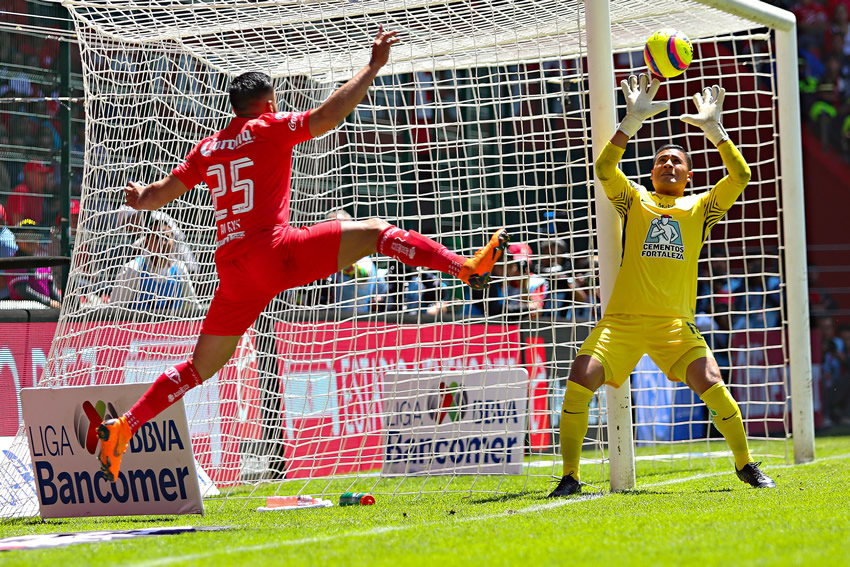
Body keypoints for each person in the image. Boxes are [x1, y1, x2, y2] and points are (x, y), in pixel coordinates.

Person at [95, 27, 509, 482]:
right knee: (374, 232)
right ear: (268, 103)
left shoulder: (208, 148)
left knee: (199, 367)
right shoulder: (270, 128)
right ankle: (460, 265)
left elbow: (159, 195)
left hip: (232, 269)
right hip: (276, 250)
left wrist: (138, 199)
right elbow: (330, 115)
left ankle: (124, 426)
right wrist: (372, 66)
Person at [548, 74, 775, 497]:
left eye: (677, 162)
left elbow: (741, 176)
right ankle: (570, 476)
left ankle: (745, 466)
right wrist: (630, 123)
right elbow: (603, 168)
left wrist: (715, 130)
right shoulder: (634, 199)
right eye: (661, 161)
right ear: (652, 172)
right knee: (580, 376)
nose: (668, 164)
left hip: (674, 324)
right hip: (623, 322)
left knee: (712, 381)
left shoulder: (701, 207)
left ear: (689, 175)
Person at [109, 211, 200, 313]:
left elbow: (194, 307)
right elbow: (113, 313)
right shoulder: (133, 269)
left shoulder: (180, 270)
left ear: (173, 240)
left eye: (166, 237)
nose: (162, 242)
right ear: (147, 241)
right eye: (157, 237)